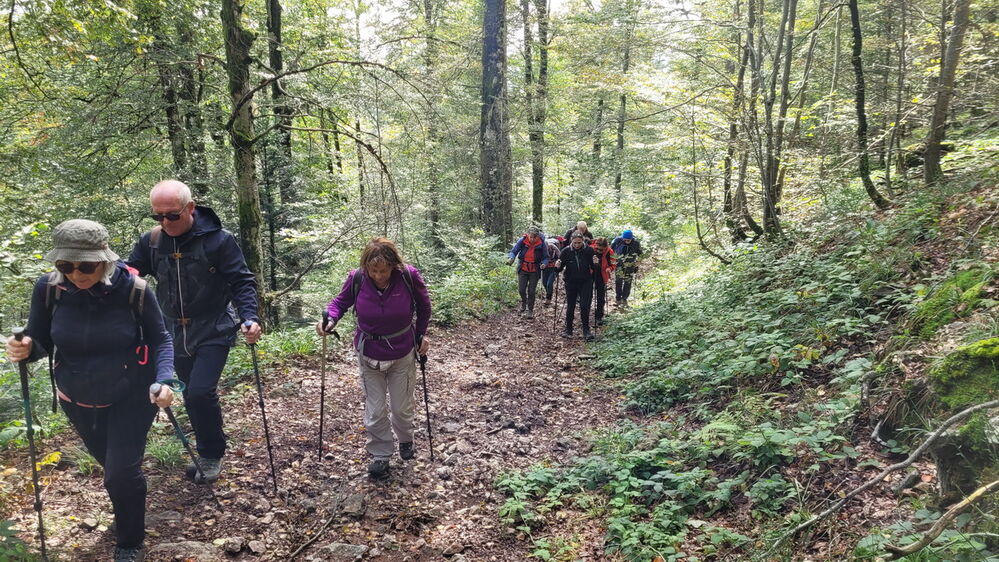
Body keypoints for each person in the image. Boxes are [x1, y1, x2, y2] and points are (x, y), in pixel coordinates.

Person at [6, 219, 175, 562]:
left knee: (120, 474)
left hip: (131, 394)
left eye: (85, 266)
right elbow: (40, 340)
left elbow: (161, 339)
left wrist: (166, 380)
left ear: (105, 261)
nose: (75, 274)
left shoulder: (134, 290)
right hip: (77, 398)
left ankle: (130, 542)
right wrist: (25, 349)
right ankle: (128, 503)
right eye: (65, 265)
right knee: (114, 468)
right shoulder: (49, 289)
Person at [127, 180, 261, 483]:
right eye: (158, 216)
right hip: (172, 331)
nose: (165, 222)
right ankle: (205, 449)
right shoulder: (151, 242)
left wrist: (249, 317)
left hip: (214, 327)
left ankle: (211, 454)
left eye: (172, 215)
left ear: (190, 208)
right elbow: (131, 273)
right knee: (189, 393)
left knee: (201, 391)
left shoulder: (219, 241)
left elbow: (242, 281)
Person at [317, 237, 432, 480]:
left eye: (383, 270)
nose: (378, 275)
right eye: (373, 270)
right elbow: (340, 302)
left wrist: (421, 334)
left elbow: (424, 306)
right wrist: (330, 319)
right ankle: (381, 454)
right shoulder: (357, 278)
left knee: (401, 407)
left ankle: (406, 439)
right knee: (376, 409)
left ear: (393, 265)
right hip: (368, 352)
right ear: (366, 267)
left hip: (402, 352)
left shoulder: (408, 276)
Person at [555, 233, 597, 341]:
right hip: (571, 281)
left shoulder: (589, 251)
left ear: (583, 241)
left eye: (579, 243)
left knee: (584, 306)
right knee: (571, 305)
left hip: (586, 281)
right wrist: (557, 266)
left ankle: (586, 331)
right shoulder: (566, 251)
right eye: (575, 243)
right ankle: (568, 330)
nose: (577, 245)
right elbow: (559, 268)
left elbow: (594, 268)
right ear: (571, 241)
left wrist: (596, 263)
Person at [507, 226, 549, 318]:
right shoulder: (522, 240)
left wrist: (544, 263)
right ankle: (524, 302)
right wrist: (511, 258)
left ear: (538, 236)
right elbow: (514, 251)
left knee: (531, 291)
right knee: (521, 289)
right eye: (531, 237)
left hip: (535, 269)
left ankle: (530, 310)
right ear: (528, 235)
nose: (532, 239)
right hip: (523, 268)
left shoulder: (542, 243)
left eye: (534, 237)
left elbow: (546, 257)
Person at [611, 229, 643, 308]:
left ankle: (624, 299)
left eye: (628, 240)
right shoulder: (617, 241)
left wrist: (637, 264)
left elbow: (640, 254)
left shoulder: (636, 243)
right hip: (619, 264)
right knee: (618, 281)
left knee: (627, 282)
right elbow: (611, 251)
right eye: (625, 240)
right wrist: (613, 262)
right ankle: (618, 299)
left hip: (630, 265)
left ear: (632, 238)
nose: (626, 241)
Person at [590, 237, 616, 326]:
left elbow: (614, 264)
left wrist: (610, 268)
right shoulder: (591, 249)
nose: (599, 251)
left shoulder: (610, 252)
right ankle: (586, 313)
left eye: (601, 250)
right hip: (590, 273)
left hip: (602, 275)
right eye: (597, 249)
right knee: (588, 294)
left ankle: (599, 316)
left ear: (605, 247)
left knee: (600, 296)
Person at [541, 237, 562, 306]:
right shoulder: (540, 248)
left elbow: (560, 255)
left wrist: (559, 262)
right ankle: (549, 293)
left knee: (549, 283)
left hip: (553, 268)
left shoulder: (553, 247)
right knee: (544, 283)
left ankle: (548, 299)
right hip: (545, 268)